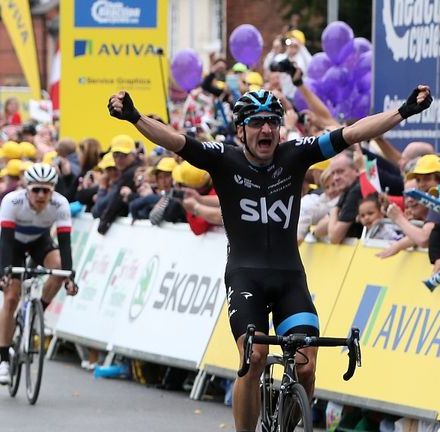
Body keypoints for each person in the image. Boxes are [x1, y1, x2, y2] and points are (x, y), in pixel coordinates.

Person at [108, 85, 433, 432]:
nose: (266, 129)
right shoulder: (223, 159)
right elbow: (175, 141)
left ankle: (289, 424)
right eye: (257, 122)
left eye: (273, 122)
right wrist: (134, 117)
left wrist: (403, 111)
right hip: (245, 277)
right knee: (254, 358)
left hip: (289, 277)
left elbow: (352, 133)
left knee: (306, 365)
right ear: (240, 130)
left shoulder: (295, 155)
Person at [0, 163, 78, 385]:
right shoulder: (12, 201)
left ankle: (37, 311)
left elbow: (65, 244)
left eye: (46, 190)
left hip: (40, 242)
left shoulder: (60, 204)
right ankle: (3, 359)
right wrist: (4, 274)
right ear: (27, 189)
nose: (41, 195)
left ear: (53, 190)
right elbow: (5, 242)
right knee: (11, 298)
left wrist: (70, 277)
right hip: (14, 244)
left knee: (59, 268)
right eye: (36, 190)